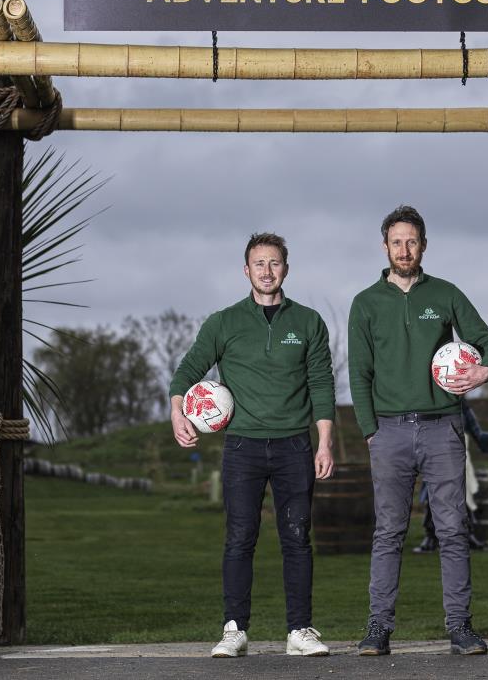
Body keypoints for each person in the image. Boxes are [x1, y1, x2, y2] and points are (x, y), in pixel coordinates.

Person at [169, 232, 335, 658]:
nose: (267, 271)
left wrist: (325, 443)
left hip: (294, 446)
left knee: (297, 538)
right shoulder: (223, 323)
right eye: (259, 264)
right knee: (240, 537)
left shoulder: (309, 322)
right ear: (246, 271)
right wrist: (177, 413)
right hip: (242, 448)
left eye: (274, 263)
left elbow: (321, 384)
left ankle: (300, 630)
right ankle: (234, 629)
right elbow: (187, 370)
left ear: (286, 268)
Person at [348, 205, 488, 656]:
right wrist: (369, 431)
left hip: (443, 428)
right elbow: (359, 374)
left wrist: (482, 371)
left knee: (454, 528)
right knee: (389, 532)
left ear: (423, 245)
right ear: (385, 246)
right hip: (389, 433)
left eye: (412, 241)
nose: (404, 249)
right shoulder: (365, 303)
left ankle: (460, 627)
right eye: (396, 242)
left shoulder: (447, 294)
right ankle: (378, 629)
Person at [413, 401, 488, 553]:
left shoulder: (464, 410)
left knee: (464, 497)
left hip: (460, 460)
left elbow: (480, 438)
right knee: (433, 498)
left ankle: (467, 535)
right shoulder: (429, 404)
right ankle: (431, 537)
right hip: (435, 458)